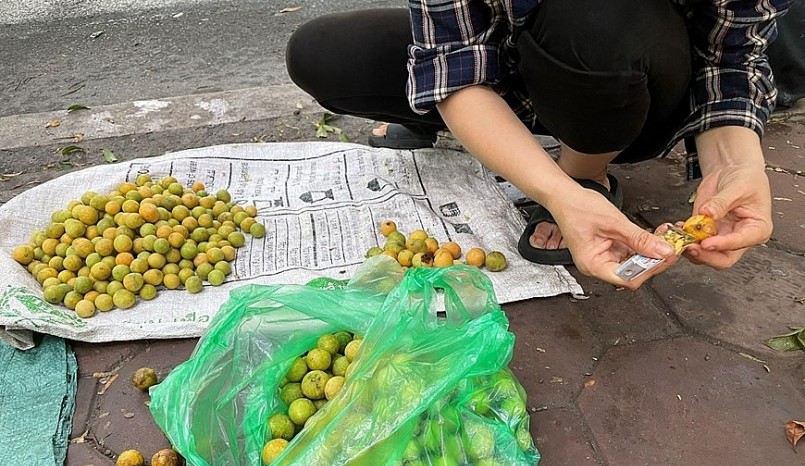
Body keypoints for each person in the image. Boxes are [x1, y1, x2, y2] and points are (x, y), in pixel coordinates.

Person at [285, 0, 791, 289]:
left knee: (597, 19)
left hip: (630, 75)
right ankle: (473, 130)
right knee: (323, 54)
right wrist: (548, 191)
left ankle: (585, 172)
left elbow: (729, 58)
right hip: (515, 57)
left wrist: (735, 161)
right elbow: (453, 57)